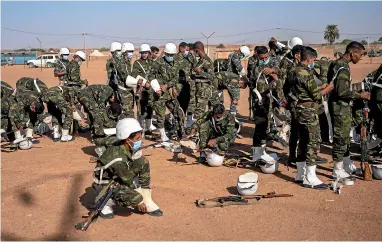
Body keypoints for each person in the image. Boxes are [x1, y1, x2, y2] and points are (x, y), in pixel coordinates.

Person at [92, 118, 163, 219]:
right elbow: (128, 180)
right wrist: (139, 201)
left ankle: (147, 197)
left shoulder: (123, 144)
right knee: (136, 197)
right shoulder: (118, 159)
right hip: (105, 186)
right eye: (137, 138)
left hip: (118, 176)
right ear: (127, 140)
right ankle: (105, 202)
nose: (140, 141)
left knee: (143, 162)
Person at [328, 41, 370, 182]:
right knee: (340, 138)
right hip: (340, 108)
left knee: (345, 137)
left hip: (340, 106)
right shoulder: (343, 67)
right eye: (360, 55)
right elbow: (341, 91)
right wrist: (360, 95)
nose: (361, 58)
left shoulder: (337, 64)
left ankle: (346, 165)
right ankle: (337, 171)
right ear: (352, 53)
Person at [289, 46, 329, 189]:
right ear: (309, 59)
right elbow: (316, 95)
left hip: (297, 109)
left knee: (303, 140)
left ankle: (300, 174)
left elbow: (286, 88)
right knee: (313, 140)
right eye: (313, 60)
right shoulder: (305, 72)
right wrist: (327, 89)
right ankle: (310, 177)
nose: (314, 62)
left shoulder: (292, 70)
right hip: (308, 110)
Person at [249, 46, 282, 162]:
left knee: (265, 125)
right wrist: (274, 80)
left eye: (266, 57)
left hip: (269, 100)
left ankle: (260, 152)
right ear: (257, 56)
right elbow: (258, 83)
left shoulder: (272, 62)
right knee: (260, 126)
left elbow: (280, 70)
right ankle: (257, 153)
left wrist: (273, 71)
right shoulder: (255, 67)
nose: (265, 60)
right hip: (260, 101)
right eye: (262, 58)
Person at [148, 43, 183, 142]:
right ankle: (163, 136)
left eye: (172, 55)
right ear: (165, 53)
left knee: (178, 112)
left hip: (170, 93)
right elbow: (150, 76)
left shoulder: (176, 63)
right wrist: (157, 88)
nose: (170, 57)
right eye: (169, 55)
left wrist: (167, 85)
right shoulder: (158, 62)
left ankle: (179, 132)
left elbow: (176, 78)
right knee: (160, 116)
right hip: (159, 95)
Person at [131, 44, 156, 134]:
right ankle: (141, 128)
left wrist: (150, 83)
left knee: (150, 109)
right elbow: (134, 75)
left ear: (149, 53)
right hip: (141, 90)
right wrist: (144, 83)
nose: (144, 55)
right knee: (141, 109)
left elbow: (155, 74)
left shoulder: (152, 63)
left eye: (146, 53)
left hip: (150, 90)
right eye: (143, 53)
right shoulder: (137, 63)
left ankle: (149, 127)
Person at [106, 42, 134, 118]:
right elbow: (111, 76)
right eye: (117, 51)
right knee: (119, 108)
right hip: (116, 87)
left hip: (125, 87)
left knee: (125, 108)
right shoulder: (112, 62)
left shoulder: (126, 62)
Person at [192, 41, 216, 120]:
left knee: (198, 114)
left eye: (195, 51)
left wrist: (200, 71)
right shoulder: (200, 60)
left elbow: (211, 77)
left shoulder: (207, 61)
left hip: (204, 91)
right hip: (199, 90)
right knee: (198, 112)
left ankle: (197, 131)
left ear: (197, 50)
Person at [175, 42, 196, 127]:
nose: (188, 51)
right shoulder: (175, 58)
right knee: (180, 105)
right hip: (179, 85)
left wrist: (193, 56)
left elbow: (195, 67)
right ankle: (179, 123)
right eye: (186, 49)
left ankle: (189, 121)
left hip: (189, 84)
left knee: (190, 103)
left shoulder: (189, 57)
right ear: (181, 48)